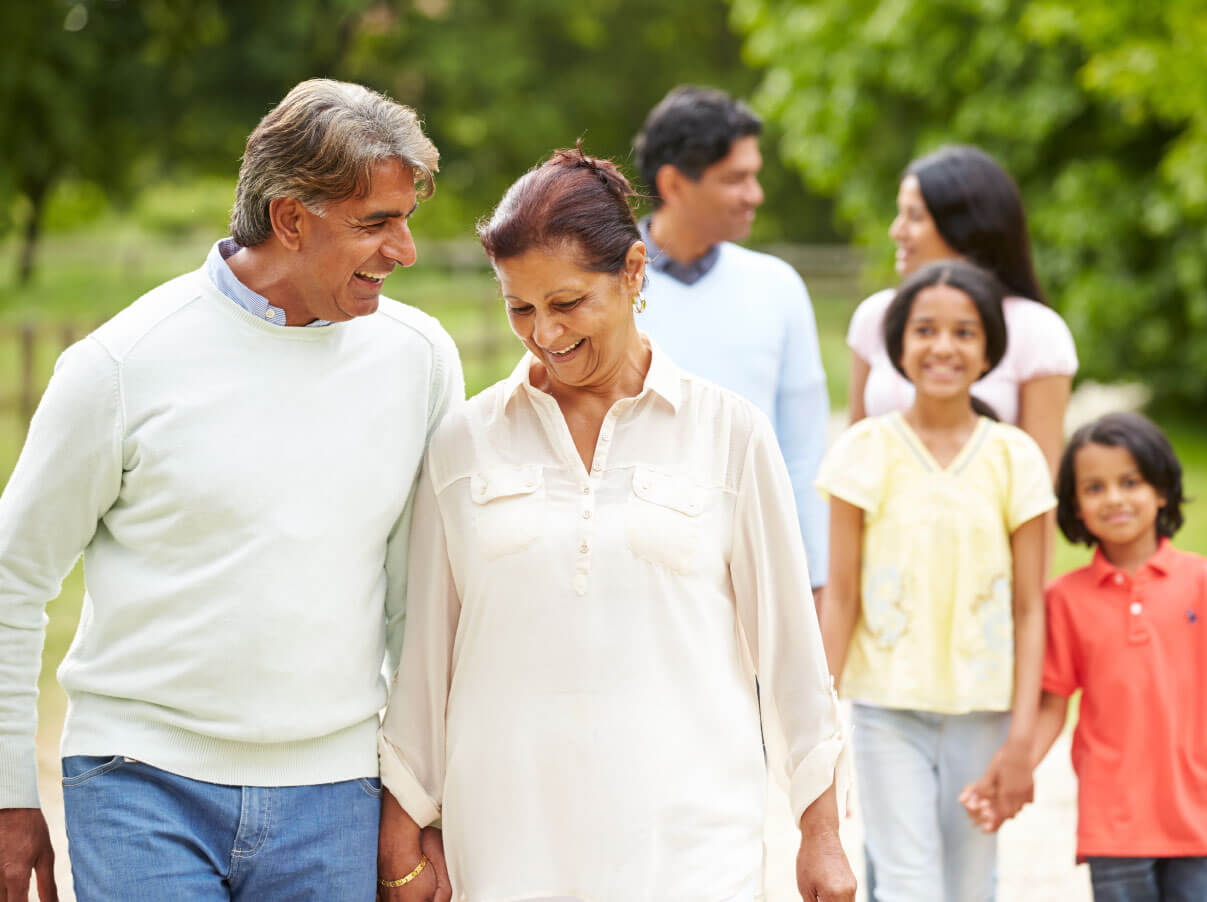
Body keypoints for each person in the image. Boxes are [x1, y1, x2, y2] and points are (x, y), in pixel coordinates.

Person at [0, 78, 463, 901]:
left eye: (407, 220)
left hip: (336, 795)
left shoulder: (419, 359)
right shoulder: (120, 366)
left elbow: (418, 603)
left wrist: (417, 802)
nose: (405, 251)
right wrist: (7, 796)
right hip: (138, 785)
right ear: (291, 218)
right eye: (375, 224)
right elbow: (13, 580)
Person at [375, 148, 855, 902]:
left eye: (567, 304)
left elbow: (792, 653)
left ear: (634, 272)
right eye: (519, 308)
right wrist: (404, 827)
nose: (544, 332)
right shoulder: (464, 444)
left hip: (692, 846)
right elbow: (426, 657)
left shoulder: (729, 434)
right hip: (509, 848)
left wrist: (821, 835)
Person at [818, 260, 1054, 901]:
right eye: (925, 330)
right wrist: (820, 719)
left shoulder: (1016, 458)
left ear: (988, 353)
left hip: (986, 711)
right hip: (886, 709)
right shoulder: (864, 452)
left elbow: (1032, 607)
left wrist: (1022, 739)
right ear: (898, 345)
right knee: (907, 883)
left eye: (964, 332)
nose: (943, 346)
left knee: (972, 885)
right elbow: (839, 596)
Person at [961, 412, 1207, 901]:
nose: (1113, 498)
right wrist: (1012, 771)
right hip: (1113, 829)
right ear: (1074, 505)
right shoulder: (1065, 599)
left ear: (1161, 490)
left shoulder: (1200, 581)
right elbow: (1053, 704)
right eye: (1094, 488)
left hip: (1200, 819)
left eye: (1130, 482)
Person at [632, 85, 829, 605]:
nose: (755, 194)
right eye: (736, 179)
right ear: (674, 182)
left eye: (754, 175)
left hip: (752, 573)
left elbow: (804, 451)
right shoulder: (601, 284)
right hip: (632, 573)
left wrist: (814, 579)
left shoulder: (779, 287)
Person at [847, 145, 1076, 479]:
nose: (896, 231)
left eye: (914, 217)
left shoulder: (1036, 330)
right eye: (924, 331)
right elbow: (853, 457)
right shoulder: (876, 316)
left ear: (966, 228)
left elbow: (1039, 482)